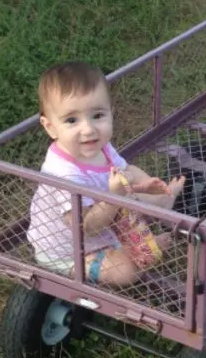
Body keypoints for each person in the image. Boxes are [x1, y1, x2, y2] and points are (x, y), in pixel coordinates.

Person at [26, 61, 185, 287]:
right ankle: (142, 245)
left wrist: (146, 182)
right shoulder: (63, 175)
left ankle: (163, 200)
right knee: (125, 272)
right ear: (50, 126)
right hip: (72, 251)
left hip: (107, 220)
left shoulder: (99, 146)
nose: (89, 129)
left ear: (111, 112)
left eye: (97, 115)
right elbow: (87, 229)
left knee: (133, 195)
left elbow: (126, 169)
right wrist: (116, 195)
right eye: (72, 120)